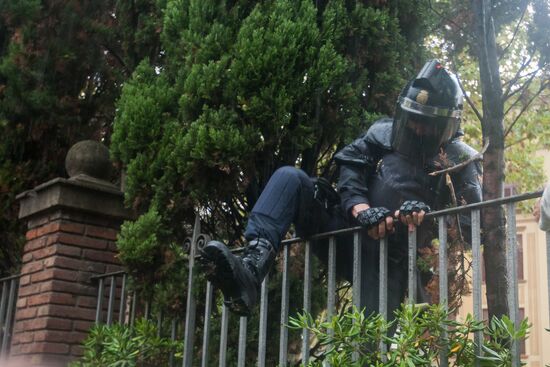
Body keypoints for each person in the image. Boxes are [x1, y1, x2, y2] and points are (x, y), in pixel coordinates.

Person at [200, 59, 483, 317]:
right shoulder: (381, 134)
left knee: (371, 346)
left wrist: (426, 220)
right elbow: (351, 170)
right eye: (414, 120)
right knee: (290, 178)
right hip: (348, 237)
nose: (418, 129)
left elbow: (470, 229)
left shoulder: (460, 159)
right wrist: (363, 212)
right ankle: (250, 270)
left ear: (446, 124)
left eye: (427, 124)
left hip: (394, 261)